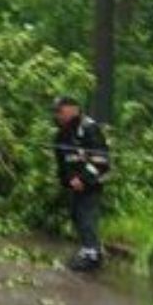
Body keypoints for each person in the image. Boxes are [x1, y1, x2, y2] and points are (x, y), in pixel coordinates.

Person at [52, 95, 112, 272]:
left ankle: (92, 256)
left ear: (73, 109)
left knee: (87, 217)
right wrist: (69, 178)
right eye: (56, 112)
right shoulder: (62, 133)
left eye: (60, 111)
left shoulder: (89, 128)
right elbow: (63, 160)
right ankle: (87, 250)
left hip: (91, 182)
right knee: (76, 215)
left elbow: (101, 160)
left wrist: (83, 178)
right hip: (74, 183)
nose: (57, 115)